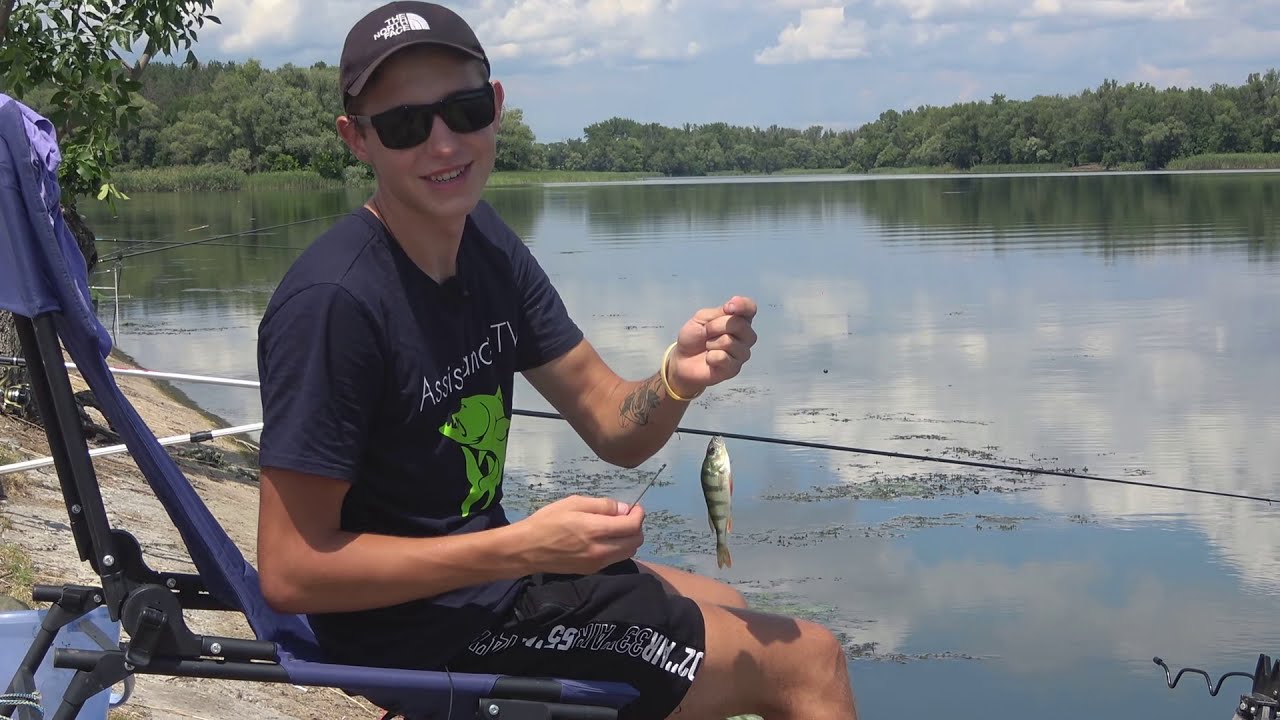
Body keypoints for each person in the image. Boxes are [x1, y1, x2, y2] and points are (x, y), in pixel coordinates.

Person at [253, 2, 858, 718]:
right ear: (358, 139)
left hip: (487, 589)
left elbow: (613, 424)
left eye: (466, 109)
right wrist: (522, 546)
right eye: (407, 125)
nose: (444, 144)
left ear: (497, 106)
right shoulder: (335, 303)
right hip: (419, 636)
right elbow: (292, 573)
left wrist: (676, 379)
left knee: (727, 601)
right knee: (807, 662)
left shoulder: (483, 240)